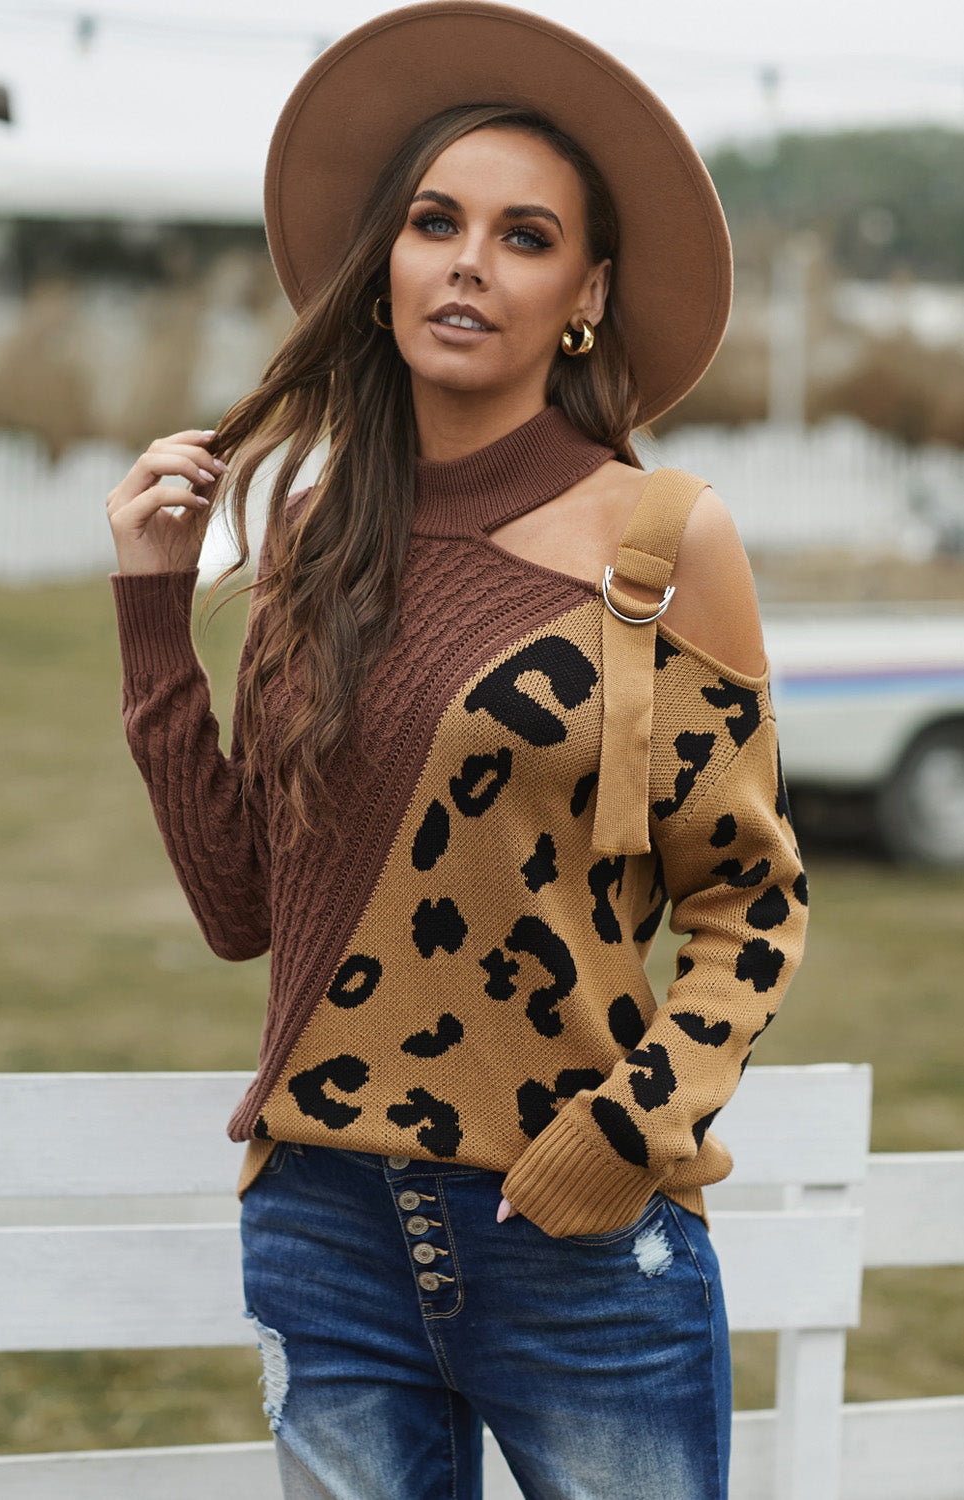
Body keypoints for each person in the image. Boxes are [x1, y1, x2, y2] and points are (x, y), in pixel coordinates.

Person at [106, 4, 807, 1496]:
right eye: (435, 223)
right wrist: (154, 607)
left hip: (575, 1237)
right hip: (322, 1224)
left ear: (584, 294)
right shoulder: (316, 536)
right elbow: (240, 906)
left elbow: (752, 902)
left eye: (523, 234)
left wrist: (627, 1134)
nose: (469, 261)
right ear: (385, 270)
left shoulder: (663, 541)